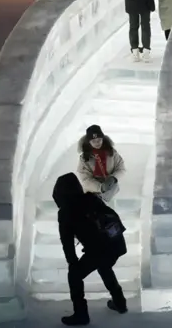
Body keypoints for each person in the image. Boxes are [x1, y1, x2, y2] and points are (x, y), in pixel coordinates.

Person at [53, 172, 128, 326]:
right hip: (116, 244)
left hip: (100, 249)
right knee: (104, 267)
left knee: (75, 276)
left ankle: (81, 314)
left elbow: (67, 242)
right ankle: (120, 303)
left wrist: (72, 263)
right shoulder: (91, 198)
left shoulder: (66, 211)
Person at [77, 125, 125, 202]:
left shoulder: (112, 153)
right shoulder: (84, 158)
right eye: (93, 141)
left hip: (111, 191)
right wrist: (100, 187)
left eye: (99, 139)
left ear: (103, 138)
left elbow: (121, 168)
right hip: (92, 194)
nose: (97, 143)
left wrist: (113, 178)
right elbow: (85, 179)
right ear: (89, 142)